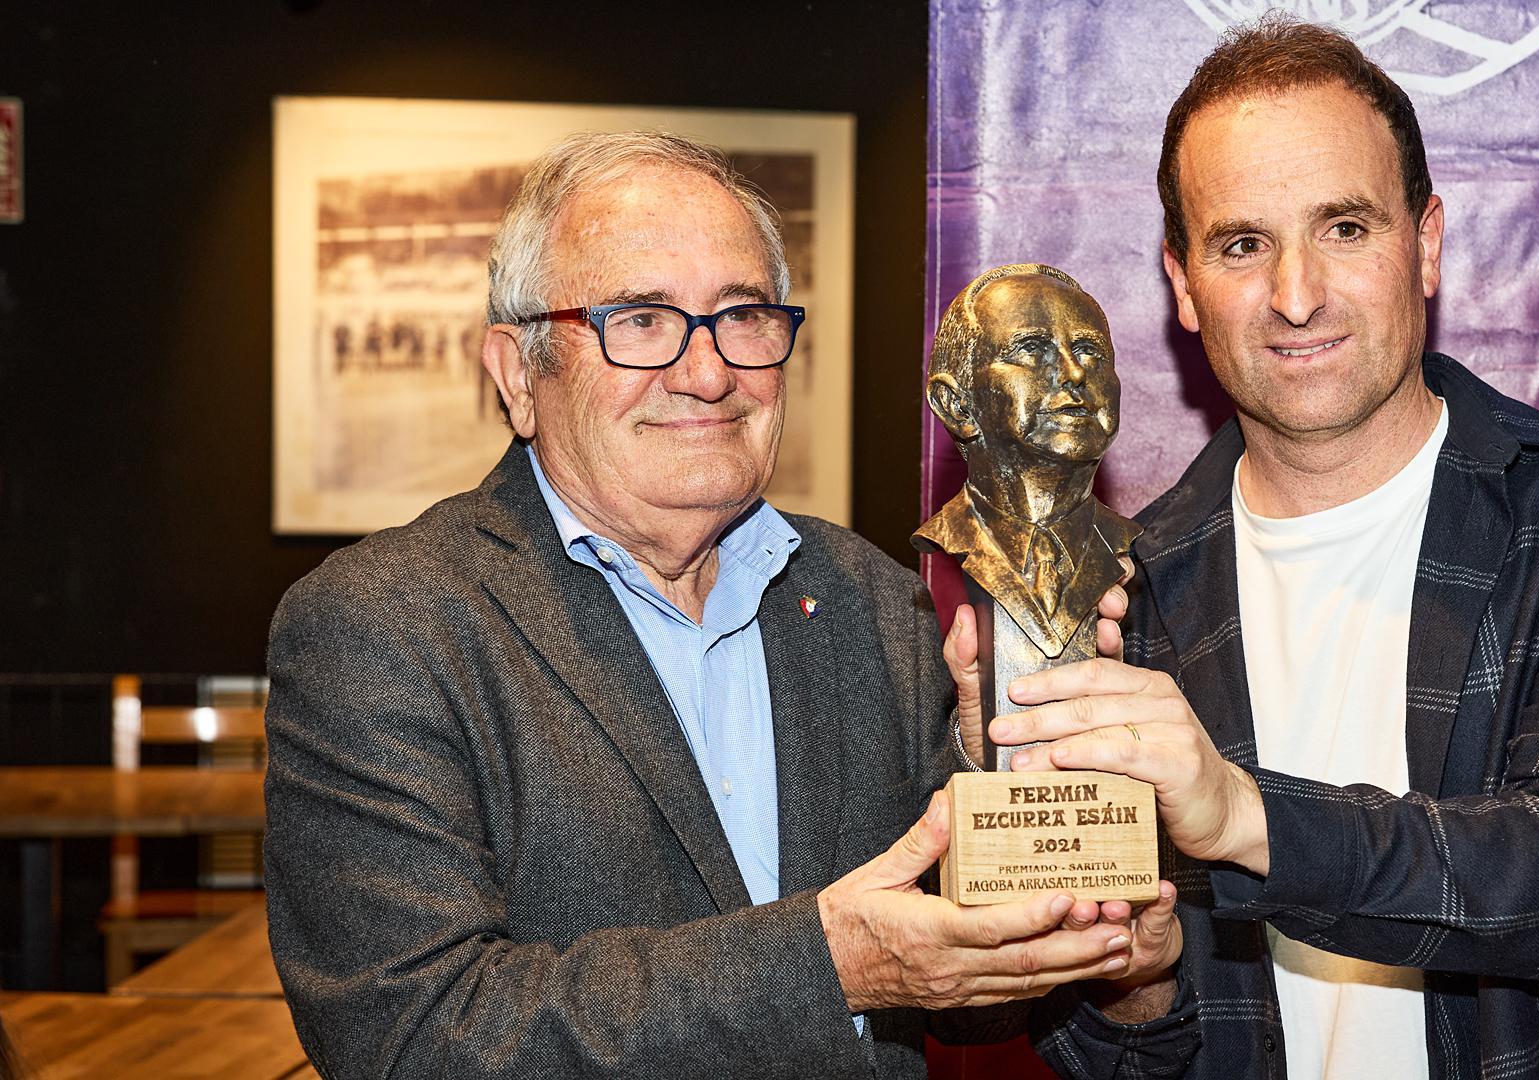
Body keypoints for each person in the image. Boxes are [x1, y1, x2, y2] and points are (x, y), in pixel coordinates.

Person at [262, 131, 1173, 1080]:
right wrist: (829, 966)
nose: (708, 373)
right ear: (519, 374)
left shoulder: (871, 601)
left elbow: (970, 1005)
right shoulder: (384, 626)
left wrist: (1005, 798)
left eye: (743, 317)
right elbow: (408, 1037)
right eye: (642, 320)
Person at [985, 17, 1539, 1079]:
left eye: (1343, 227)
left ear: (1424, 245)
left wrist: (1242, 815)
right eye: (1243, 244)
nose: (1296, 296)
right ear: (1184, 285)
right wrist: (1131, 975)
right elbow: (1118, 1061)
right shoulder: (1119, 595)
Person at [915, 263, 1142, 660]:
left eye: (1090, 352)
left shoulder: (1154, 555)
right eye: (1032, 349)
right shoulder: (888, 591)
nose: (1073, 373)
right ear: (957, 405)